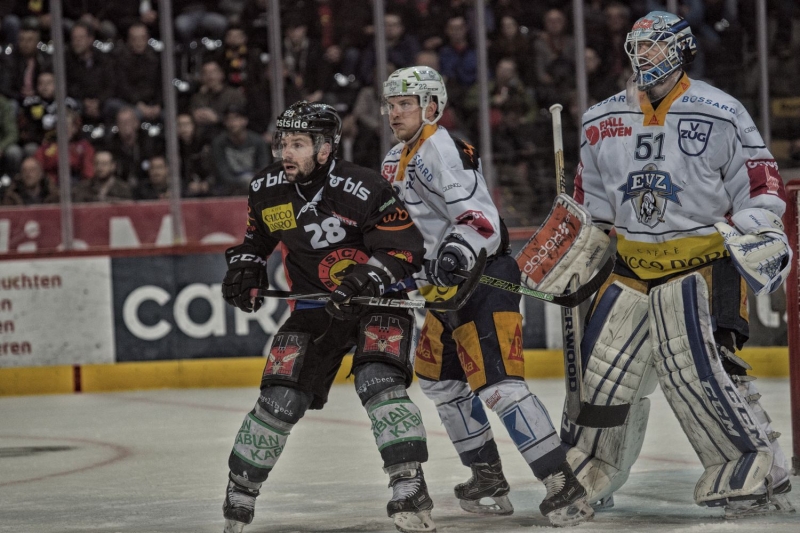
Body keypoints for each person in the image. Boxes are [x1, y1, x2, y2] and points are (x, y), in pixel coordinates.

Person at [561, 11, 794, 518]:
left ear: (682, 50)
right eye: (638, 46)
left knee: (708, 374)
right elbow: (590, 202)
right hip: (631, 268)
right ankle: (590, 470)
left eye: (655, 45)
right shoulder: (600, 119)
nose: (644, 55)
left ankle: (757, 474)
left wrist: (759, 226)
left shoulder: (720, 110)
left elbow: (759, 180)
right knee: (602, 377)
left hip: (703, 263)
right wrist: (574, 244)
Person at [379, 65, 594, 527]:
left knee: (499, 386)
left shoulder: (442, 148)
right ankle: (487, 475)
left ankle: (561, 481)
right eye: (391, 104)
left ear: (431, 106)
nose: (395, 113)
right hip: (442, 291)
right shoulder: (393, 159)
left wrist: (454, 253)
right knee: (441, 382)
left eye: (405, 104)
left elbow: (480, 221)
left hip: (481, 279)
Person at [219, 101, 437, 533]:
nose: (287, 152)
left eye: (298, 144)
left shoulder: (363, 186)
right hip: (314, 306)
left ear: (324, 149)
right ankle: (240, 487)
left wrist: (363, 279)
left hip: (379, 300)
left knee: (379, 381)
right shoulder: (266, 188)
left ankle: (409, 483)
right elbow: (256, 239)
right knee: (280, 397)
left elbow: (404, 250)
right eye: (284, 142)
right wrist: (245, 266)